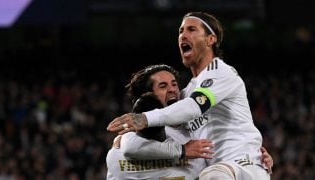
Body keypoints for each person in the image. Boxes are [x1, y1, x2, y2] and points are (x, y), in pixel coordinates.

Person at [107, 12, 272, 180]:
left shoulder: (220, 73)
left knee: (213, 176)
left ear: (210, 39)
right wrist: (128, 136)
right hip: (219, 169)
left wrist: (144, 118)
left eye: (191, 29)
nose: (183, 35)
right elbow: (139, 141)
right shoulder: (188, 94)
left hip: (242, 165)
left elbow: (193, 107)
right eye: (180, 31)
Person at [106, 64, 214, 180]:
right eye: (163, 86)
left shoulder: (196, 127)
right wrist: (182, 150)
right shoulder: (142, 135)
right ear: (147, 96)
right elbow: (130, 146)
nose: (172, 89)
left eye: (174, 84)